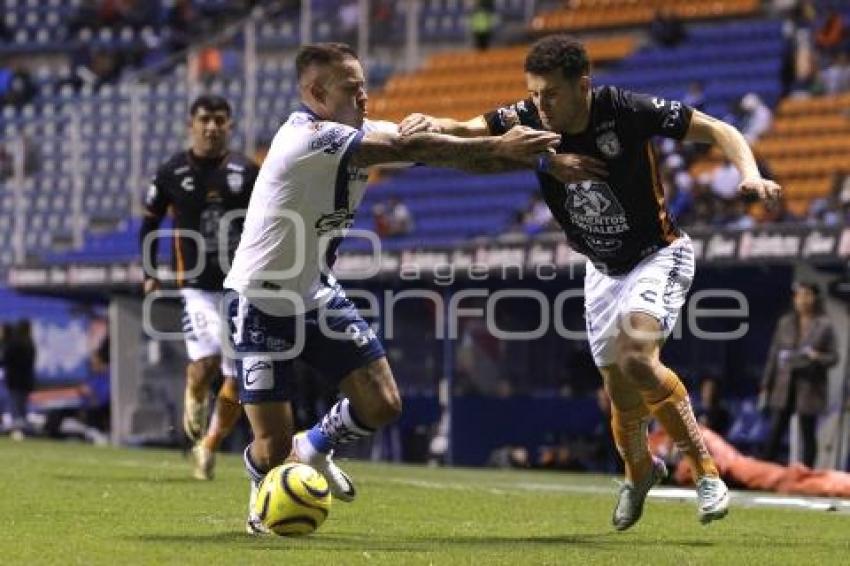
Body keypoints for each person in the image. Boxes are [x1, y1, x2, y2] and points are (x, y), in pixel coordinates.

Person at [399, 34, 783, 530]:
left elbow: (719, 128)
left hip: (657, 255)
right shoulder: (531, 116)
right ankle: (639, 471)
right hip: (601, 272)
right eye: (534, 94)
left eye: (551, 94)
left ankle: (706, 473)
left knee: (637, 359)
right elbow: (473, 128)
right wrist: (436, 124)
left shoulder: (624, 110)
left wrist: (748, 174)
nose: (541, 105)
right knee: (621, 399)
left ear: (582, 86)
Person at [223, 42, 562, 535]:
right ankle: (264, 487)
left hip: (314, 291)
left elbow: (440, 136)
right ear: (316, 92)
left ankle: (313, 446)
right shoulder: (303, 138)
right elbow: (413, 149)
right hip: (259, 299)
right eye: (352, 88)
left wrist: (520, 141)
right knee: (270, 448)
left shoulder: (362, 131)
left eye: (365, 86)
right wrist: (500, 149)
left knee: (382, 404)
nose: (365, 96)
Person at [139, 95, 260, 480]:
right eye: (205, 119)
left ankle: (208, 445)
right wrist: (149, 269)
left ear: (230, 125)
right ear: (191, 124)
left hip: (241, 287)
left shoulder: (247, 170)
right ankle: (194, 394)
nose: (212, 127)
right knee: (206, 366)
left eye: (219, 120)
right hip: (196, 286)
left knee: (239, 374)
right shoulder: (171, 172)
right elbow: (150, 222)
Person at [760, 281, 838, 468]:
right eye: (799, 295)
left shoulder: (824, 325)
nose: (802, 300)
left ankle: (807, 474)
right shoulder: (785, 323)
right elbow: (774, 355)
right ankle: (765, 470)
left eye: (807, 295)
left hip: (810, 385)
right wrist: (765, 384)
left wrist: (817, 356)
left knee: (807, 432)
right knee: (776, 429)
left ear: (814, 298)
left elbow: (834, 358)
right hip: (785, 382)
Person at [2, 320, 36, 441]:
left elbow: (6, 360)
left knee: (15, 407)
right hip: (26, 381)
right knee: (22, 407)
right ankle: (24, 430)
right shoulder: (30, 343)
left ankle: (18, 431)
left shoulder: (13, 343)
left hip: (14, 380)